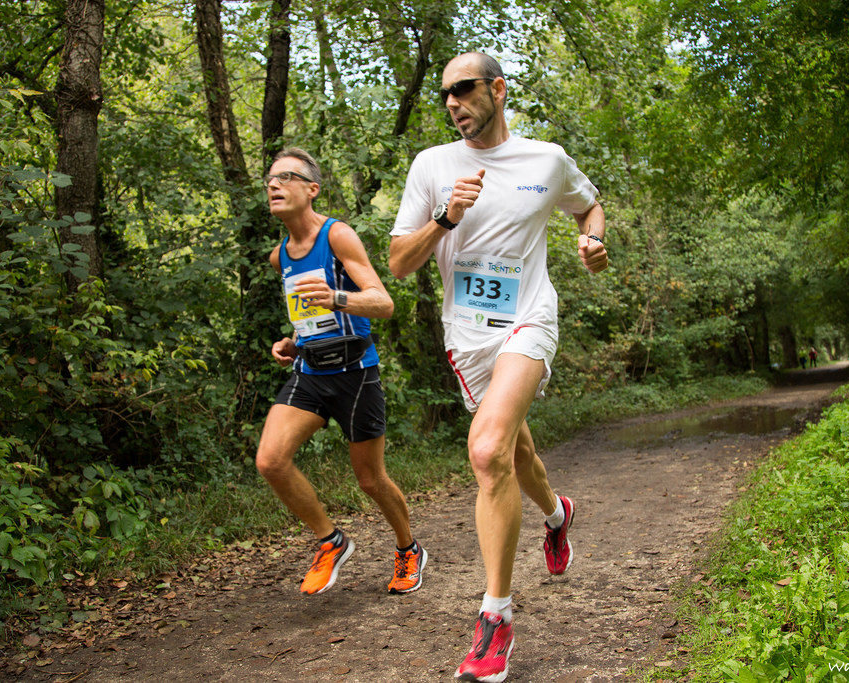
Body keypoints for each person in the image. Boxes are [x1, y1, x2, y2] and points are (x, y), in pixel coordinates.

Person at [389, 53, 609, 681]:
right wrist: (445, 218)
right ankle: (558, 514)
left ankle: (496, 618)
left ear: (497, 89)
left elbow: (588, 206)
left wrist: (592, 239)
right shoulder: (432, 167)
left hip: (528, 320)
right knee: (515, 457)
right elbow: (401, 264)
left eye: (464, 89)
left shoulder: (546, 159)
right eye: (445, 95)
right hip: (468, 338)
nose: (454, 102)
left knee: (486, 452)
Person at [256, 147, 427, 596]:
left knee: (370, 480)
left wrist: (336, 297)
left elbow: (383, 303)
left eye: (286, 177)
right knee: (270, 461)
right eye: (270, 180)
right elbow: (307, 316)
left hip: (356, 374)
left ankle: (409, 549)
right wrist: (294, 342)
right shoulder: (280, 258)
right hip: (311, 370)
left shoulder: (337, 236)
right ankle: (330, 542)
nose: (274, 185)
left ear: (311, 189)